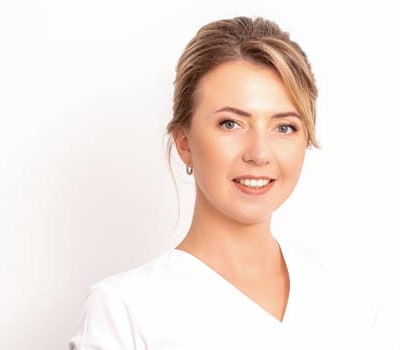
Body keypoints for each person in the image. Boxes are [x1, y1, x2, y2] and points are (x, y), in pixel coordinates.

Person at [69, 16, 377, 349]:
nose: (259, 153)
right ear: (184, 142)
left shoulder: (340, 293)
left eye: (284, 127)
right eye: (231, 124)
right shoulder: (124, 311)